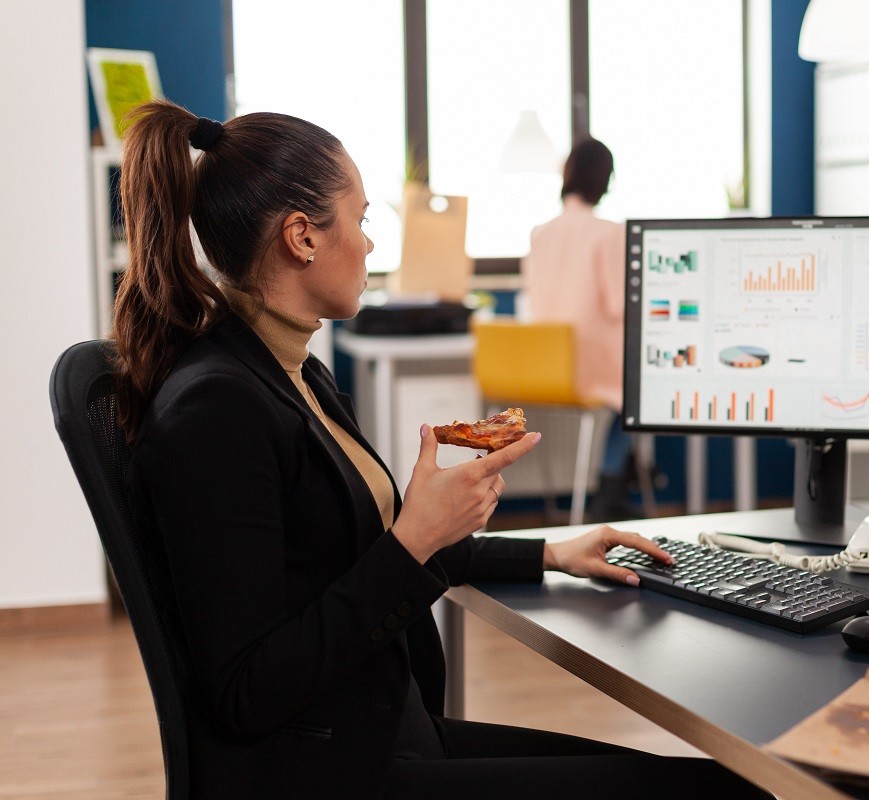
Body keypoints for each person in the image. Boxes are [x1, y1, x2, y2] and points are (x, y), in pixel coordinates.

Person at [111, 100, 770, 800]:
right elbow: (246, 690)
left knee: (726, 781)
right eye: (362, 221)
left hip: (385, 731)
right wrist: (413, 538)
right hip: (331, 773)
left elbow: (366, 550)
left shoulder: (292, 372)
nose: (369, 245)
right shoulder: (218, 411)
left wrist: (552, 552)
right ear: (302, 237)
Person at [521, 137, 635, 521]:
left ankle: (617, 482)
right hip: (590, 367)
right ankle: (612, 484)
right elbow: (621, 305)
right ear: (605, 179)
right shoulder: (610, 232)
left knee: (626, 390)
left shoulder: (540, 232)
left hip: (547, 368)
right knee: (639, 390)